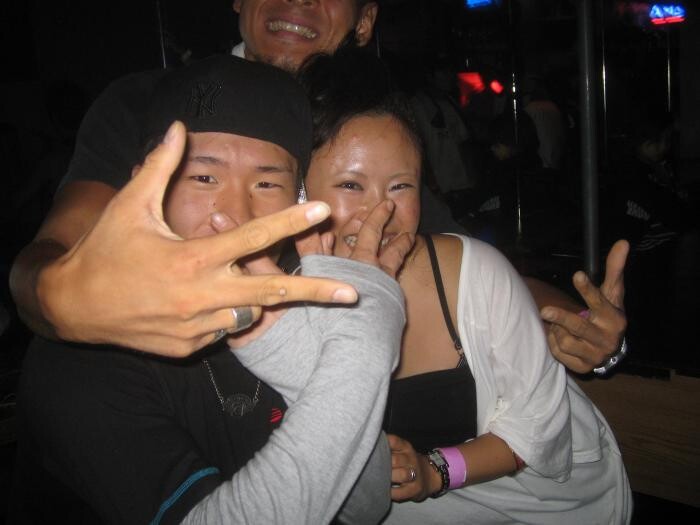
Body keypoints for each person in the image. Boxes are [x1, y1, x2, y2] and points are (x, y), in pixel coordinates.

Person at [8, 1, 625, 371]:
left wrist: (570, 322)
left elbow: (451, 257)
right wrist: (62, 297)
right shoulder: (150, 105)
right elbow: (46, 261)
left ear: (365, 21)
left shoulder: (361, 135)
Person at [12, 55, 409, 525]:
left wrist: (297, 352)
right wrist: (366, 338)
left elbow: (365, 504)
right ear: (143, 187)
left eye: (267, 182)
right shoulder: (82, 356)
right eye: (204, 178)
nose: (234, 213)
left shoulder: (293, 300)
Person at [299, 48, 632, 524]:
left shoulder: (473, 272)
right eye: (351, 186)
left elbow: (535, 431)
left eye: (400, 186)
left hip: (545, 506)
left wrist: (434, 470)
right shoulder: (285, 301)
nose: (381, 213)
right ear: (299, 191)